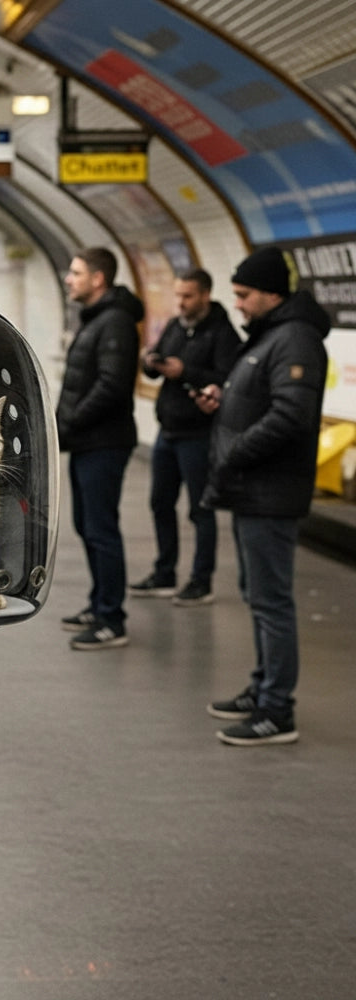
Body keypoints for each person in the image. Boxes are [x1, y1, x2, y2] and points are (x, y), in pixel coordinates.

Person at [194, 246, 329, 746]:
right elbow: (262, 401)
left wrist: (235, 451)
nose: (239, 303)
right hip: (252, 489)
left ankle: (277, 710)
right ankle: (261, 688)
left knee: (272, 602)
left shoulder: (293, 340)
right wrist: (223, 401)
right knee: (257, 595)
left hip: (269, 490)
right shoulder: (271, 336)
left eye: (245, 294)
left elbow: (291, 415)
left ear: (272, 293)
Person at [130, 269, 240, 605]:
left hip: (198, 434)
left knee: (199, 509)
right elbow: (155, 364)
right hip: (169, 429)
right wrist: (150, 361)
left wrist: (186, 372)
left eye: (188, 296)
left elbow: (228, 379)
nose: (181, 302)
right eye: (178, 295)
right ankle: (165, 572)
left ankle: (200, 580)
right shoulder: (176, 326)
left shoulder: (223, 333)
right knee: (160, 503)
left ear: (205, 295)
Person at [57, 247, 143, 650]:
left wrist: (69, 423)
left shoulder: (115, 323)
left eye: (76, 273)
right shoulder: (97, 320)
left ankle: (112, 619)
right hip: (87, 441)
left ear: (98, 279)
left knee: (102, 529)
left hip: (103, 442)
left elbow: (110, 385)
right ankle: (98, 604)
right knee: (87, 526)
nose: (69, 279)